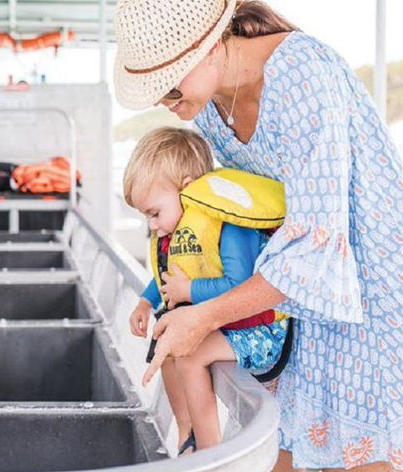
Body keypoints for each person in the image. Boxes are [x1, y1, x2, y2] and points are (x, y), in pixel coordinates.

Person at [113, 1, 402, 470]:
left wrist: (203, 315)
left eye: (166, 87)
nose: (162, 103)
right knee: (283, 445)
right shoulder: (207, 108)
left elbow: (315, 243)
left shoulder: (303, 74)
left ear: (206, 48)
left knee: (361, 452)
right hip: (291, 301)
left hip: (367, 291)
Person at [124, 127, 290, 454]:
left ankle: (210, 454)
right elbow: (167, 277)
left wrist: (189, 289)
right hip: (225, 326)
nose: (154, 226)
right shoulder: (181, 231)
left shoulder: (227, 222)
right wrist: (146, 301)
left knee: (190, 357)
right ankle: (187, 433)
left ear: (187, 189)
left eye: (155, 213)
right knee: (166, 346)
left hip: (263, 331)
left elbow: (240, 283)